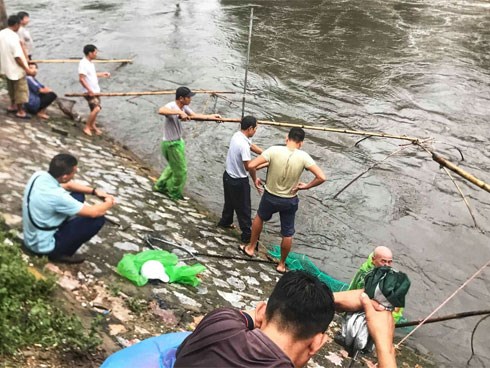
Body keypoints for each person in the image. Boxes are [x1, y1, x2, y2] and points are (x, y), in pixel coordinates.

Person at [174, 271, 397, 368]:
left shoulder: (220, 320)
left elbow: (261, 312)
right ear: (316, 343)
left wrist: (326, 300)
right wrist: (385, 347)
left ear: (262, 310)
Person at [241, 128, 326, 273]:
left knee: (260, 218)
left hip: (270, 196)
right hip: (289, 199)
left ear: (287, 138)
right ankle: (281, 264)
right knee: (287, 233)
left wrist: (255, 178)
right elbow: (321, 177)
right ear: (301, 143)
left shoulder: (273, 150)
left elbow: (251, 165)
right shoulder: (304, 156)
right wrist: (305, 187)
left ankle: (250, 248)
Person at [22, 153, 116, 263]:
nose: (74, 175)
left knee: (78, 195)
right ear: (65, 176)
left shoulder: (39, 176)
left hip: (32, 236)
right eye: (74, 172)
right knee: (98, 219)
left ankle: (60, 231)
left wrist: (94, 191)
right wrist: (109, 202)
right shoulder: (58, 196)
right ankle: (61, 254)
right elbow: (93, 212)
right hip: (41, 247)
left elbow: (69, 185)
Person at [153, 86, 221, 201]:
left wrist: (211, 117)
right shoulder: (172, 106)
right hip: (171, 144)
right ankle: (174, 193)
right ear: (181, 98)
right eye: (188, 97)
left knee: (172, 167)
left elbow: (194, 116)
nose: (190, 99)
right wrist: (179, 112)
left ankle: (160, 186)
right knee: (181, 171)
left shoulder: (184, 107)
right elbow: (161, 110)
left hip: (177, 142)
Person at [217, 115, 263, 244]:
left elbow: (251, 145)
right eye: (255, 128)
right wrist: (255, 180)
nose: (256, 131)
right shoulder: (243, 144)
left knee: (230, 202)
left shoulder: (237, 135)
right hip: (239, 181)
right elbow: (249, 167)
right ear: (250, 128)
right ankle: (247, 235)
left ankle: (225, 222)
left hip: (228, 176)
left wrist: (264, 154)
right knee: (244, 209)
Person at [349, 246, 404, 322]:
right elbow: (353, 286)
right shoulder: (364, 271)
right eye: (383, 261)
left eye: (389, 262)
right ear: (373, 260)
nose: (387, 265)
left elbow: (397, 309)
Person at [0, 14, 35, 119]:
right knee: (20, 90)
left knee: (11, 88)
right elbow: (17, 57)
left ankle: (12, 105)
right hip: (16, 68)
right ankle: (20, 111)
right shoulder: (13, 37)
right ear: (16, 24)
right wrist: (27, 68)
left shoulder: (1, 33)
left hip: (5, 66)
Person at [78, 44, 111, 136]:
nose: (96, 55)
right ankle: (87, 127)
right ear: (90, 53)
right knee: (97, 108)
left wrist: (102, 74)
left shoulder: (90, 63)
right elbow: (81, 78)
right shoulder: (83, 63)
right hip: (89, 92)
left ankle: (93, 126)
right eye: (95, 52)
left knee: (93, 109)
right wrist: (89, 91)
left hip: (96, 90)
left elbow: (91, 75)